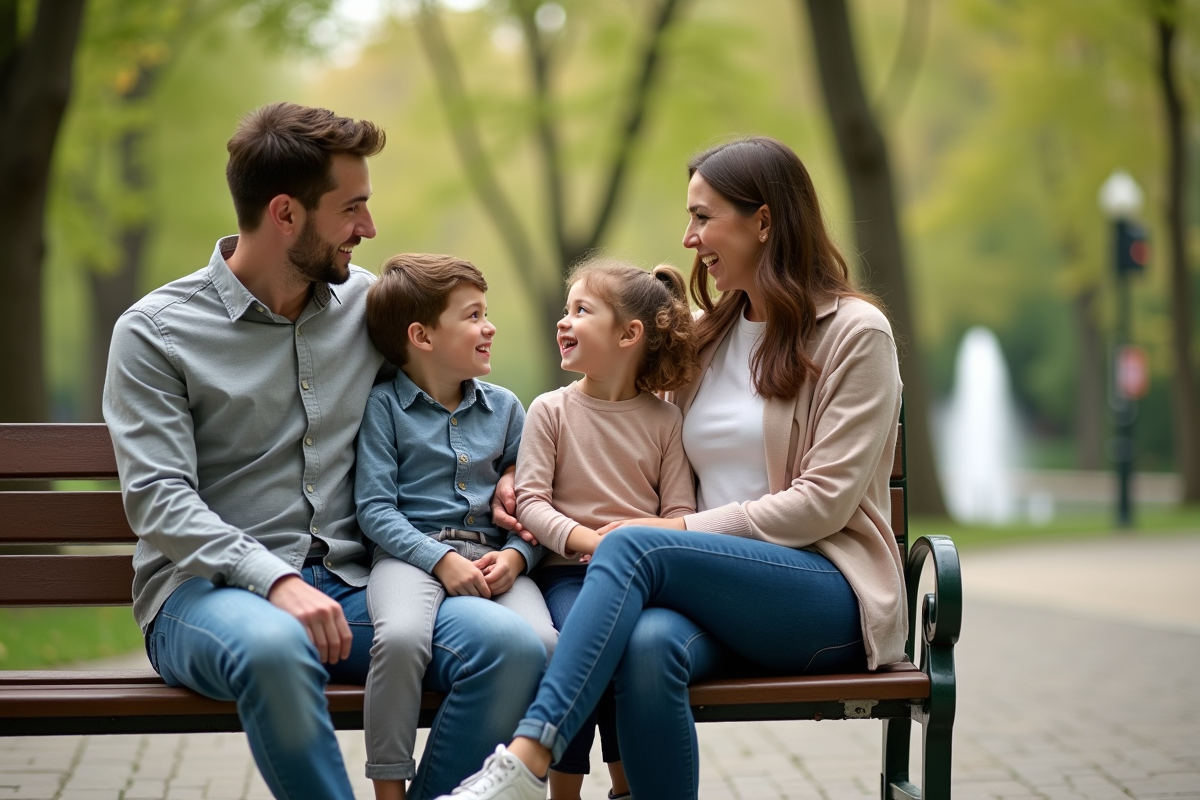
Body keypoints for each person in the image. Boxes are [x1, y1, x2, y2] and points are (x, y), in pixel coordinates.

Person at [433, 135, 908, 800]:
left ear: (764, 221)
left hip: (820, 592)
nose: (689, 239)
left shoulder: (854, 334)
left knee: (633, 545)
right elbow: (608, 408)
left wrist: (678, 532)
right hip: (700, 594)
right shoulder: (706, 334)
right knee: (648, 646)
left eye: (704, 217)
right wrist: (516, 470)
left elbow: (822, 504)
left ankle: (527, 759)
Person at [103, 102, 546, 800]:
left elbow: (456, 400)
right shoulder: (156, 333)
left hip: (355, 588)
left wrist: (515, 469)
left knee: (512, 647)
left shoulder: (370, 308)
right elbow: (158, 499)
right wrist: (273, 580)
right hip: (208, 596)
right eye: (353, 208)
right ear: (286, 213)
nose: (368, 229)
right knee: (277, 647)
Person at [355, 253, 558, 800]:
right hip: (409, 557)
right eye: (472, 316)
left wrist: (517, 557)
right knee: (398, 638)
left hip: (495, 558)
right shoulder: (383, 409)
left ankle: (511, 779)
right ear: (421, 335)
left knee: (544, 642)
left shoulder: (508, 409)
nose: (488, 326)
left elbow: (535, 506)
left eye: (485, 313)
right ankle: (389, 789)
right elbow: (375, 510)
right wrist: (438, 560)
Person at [514, 259, 698, 800]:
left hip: (642, 582)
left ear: (629, 334)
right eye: (564, 310)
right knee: (582, 641)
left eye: (581, 310)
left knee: (631, 653)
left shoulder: (664, 423)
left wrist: (636, 543)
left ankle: (625, 786)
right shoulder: (551, 411)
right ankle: (563, 793)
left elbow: (679, 512)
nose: (563, 322)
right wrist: (590, 540)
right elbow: (530, 501)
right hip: (569, 575)